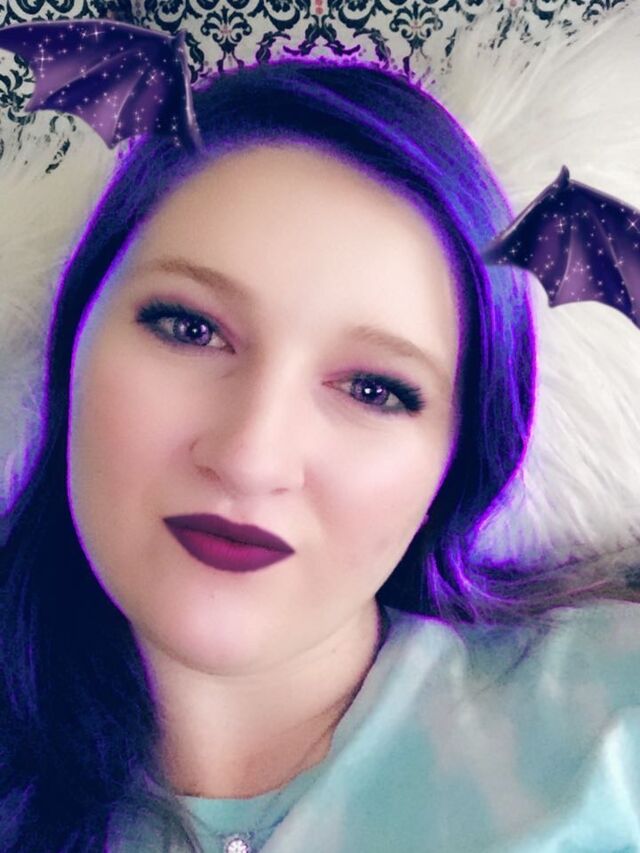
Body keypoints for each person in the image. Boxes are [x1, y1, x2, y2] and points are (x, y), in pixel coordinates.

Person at [1, 57, 638, 853]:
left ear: (454, 464)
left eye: (374, 389)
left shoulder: (614, 720)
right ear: (72, 345)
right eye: (190, 328)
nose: (250, 457)